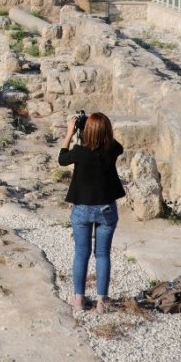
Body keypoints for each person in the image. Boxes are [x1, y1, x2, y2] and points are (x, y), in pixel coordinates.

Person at [58, 111, 125, 313]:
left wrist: (71, 132)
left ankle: (78, 300)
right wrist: (96, 128)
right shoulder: (112, 149)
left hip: (82, 209)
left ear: (86, 131)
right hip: (106, 209)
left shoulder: (79, 151)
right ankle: (101, 302)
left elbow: (62, 159)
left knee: (81, 253)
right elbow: (115, 145)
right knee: (103, 254)